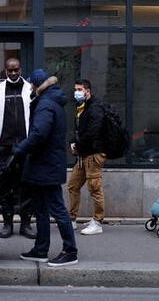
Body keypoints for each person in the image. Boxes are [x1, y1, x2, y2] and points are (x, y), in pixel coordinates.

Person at [14, 69, 78, 267]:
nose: (30, 87)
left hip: (45, 165)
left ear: (37, 85)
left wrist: (20, 149)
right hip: (46, 164)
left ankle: (70, 251)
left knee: (56, 209)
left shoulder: (45, 105)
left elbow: (39, 134)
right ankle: (41, 249)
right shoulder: (51, 102)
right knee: (41, 209)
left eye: (32, 84)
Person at [0, 57, 35, 239]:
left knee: (27, 186)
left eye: (16, 70)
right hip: (4, 147)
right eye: (10, 70)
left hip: (25, 145)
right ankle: (7, 223)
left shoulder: (30, 89)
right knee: (5, 187)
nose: (13, 73)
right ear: (5, 71)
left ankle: (26, 224)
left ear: (20, 69)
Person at [67, 79, 106, 236]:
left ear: (87, 91)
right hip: (83, 155)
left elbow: (92, 132)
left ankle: (97, 222)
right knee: (73, 185)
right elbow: (79, 130)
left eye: (80, 89)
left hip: (93, 154)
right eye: (75, 89)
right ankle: (71, 220)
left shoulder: (95, 108)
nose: (77, 92)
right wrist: (72, 142)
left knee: (95, 188)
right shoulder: (81, 106)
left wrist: (77, 145)